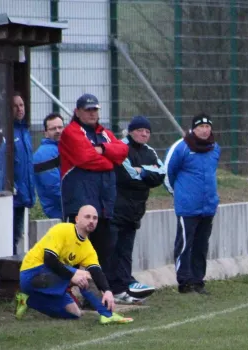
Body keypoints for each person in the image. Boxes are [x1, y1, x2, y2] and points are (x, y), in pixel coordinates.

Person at [14, 205, 133, 324]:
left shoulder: (88, 248)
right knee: (83, 276)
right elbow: (49, 259)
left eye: (95, 218)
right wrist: (72, 276)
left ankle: (27, 300)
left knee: (74, 313)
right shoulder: (62, 230)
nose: (91, 221)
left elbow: (96, 272)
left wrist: (107, 290)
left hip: (49, 279)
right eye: (87, 217)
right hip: (32, 274)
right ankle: (107, 315)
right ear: (77, 219)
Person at [58, 94, 128, 271]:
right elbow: (85, 158)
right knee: (73, 252)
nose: (92, 113)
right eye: (87, 110)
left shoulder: (104, 133)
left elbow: (123, 150)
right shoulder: (71, 132)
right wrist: (110, 162)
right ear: (77, 112)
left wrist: (103, 148)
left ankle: (96, 293)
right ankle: (66, 293)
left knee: (102, 250)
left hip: (103, 205)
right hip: (79, 204)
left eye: (94, 110)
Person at [108, 116, 166, 303]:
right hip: (117, 209)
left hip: (135, 211)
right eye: (140, 130)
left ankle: (124, 287)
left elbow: (162, 173)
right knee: (113, 250)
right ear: (131, 131)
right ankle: (114, 288)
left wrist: (142, 170)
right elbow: (128, 176)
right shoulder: (121, 147)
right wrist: (146, 173)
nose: (144, 134)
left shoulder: (150, 151)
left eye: (147, 132)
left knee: (126, 251)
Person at [164, 113, 220, 295]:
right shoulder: (181, 147)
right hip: (187, 207)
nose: (204, 130)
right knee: (185, 245)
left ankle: (198, 280)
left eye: (207, 127)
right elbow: (168, 174)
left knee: (201, 245)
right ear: (193, 129)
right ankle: (184, 282)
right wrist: (179, 194)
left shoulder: (215, 148)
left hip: (208, 206)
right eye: (200, 127)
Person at [12, 93, 36, 254]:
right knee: (11, 237)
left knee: (16, 236)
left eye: (22, 105)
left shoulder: (24, 131)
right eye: (16, 106)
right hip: (13, 196)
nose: (20, 109)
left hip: (22, 196)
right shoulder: (7, 131)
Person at [33, 113, 64, 219]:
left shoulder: (61, 149)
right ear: (46, 133)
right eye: (53, 128)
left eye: (60, 127)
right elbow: (54, 189)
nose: (58, 131)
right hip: (59, 212)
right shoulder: (45, 154)